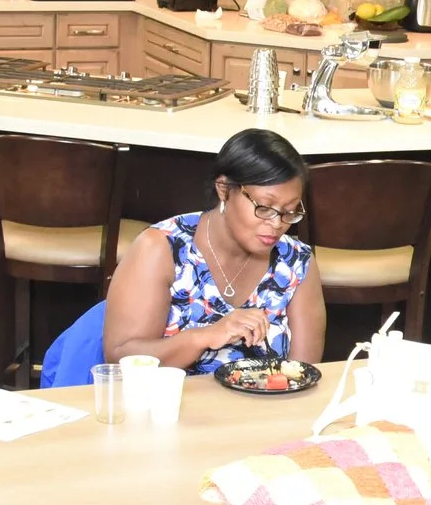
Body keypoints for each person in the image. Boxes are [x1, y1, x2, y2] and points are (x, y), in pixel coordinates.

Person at [106, 130, 325, 372]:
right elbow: (120, 359)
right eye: (264, 207)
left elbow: (303, 373)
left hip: (265, 408)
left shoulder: (296, 262)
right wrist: (205, 336)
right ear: (223, 189)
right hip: (171, 405)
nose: (277, 224)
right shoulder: (163, 248)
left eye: (289, 211)